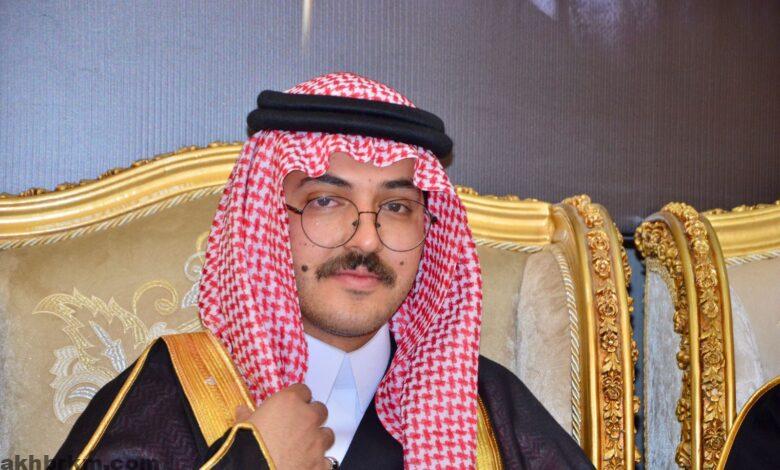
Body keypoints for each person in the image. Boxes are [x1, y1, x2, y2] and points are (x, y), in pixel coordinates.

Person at [50, 72, 592, 469]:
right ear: (266, 221)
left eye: (397, 207)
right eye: (327, 201)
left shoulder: (488, 412)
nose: (366, 239)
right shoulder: (174, 390)